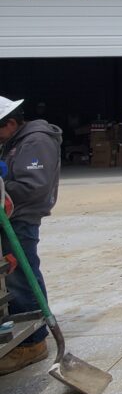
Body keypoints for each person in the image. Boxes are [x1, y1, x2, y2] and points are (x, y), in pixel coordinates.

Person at [0, 96, 62, 375]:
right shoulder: (16, 142)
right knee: (15, 275)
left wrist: (4, 187)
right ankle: (23, 331)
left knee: (22, 275)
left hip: (21, 218)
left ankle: (34, 343)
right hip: (13, 216)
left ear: (11, 123)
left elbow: (33, 185)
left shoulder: (36, 141)